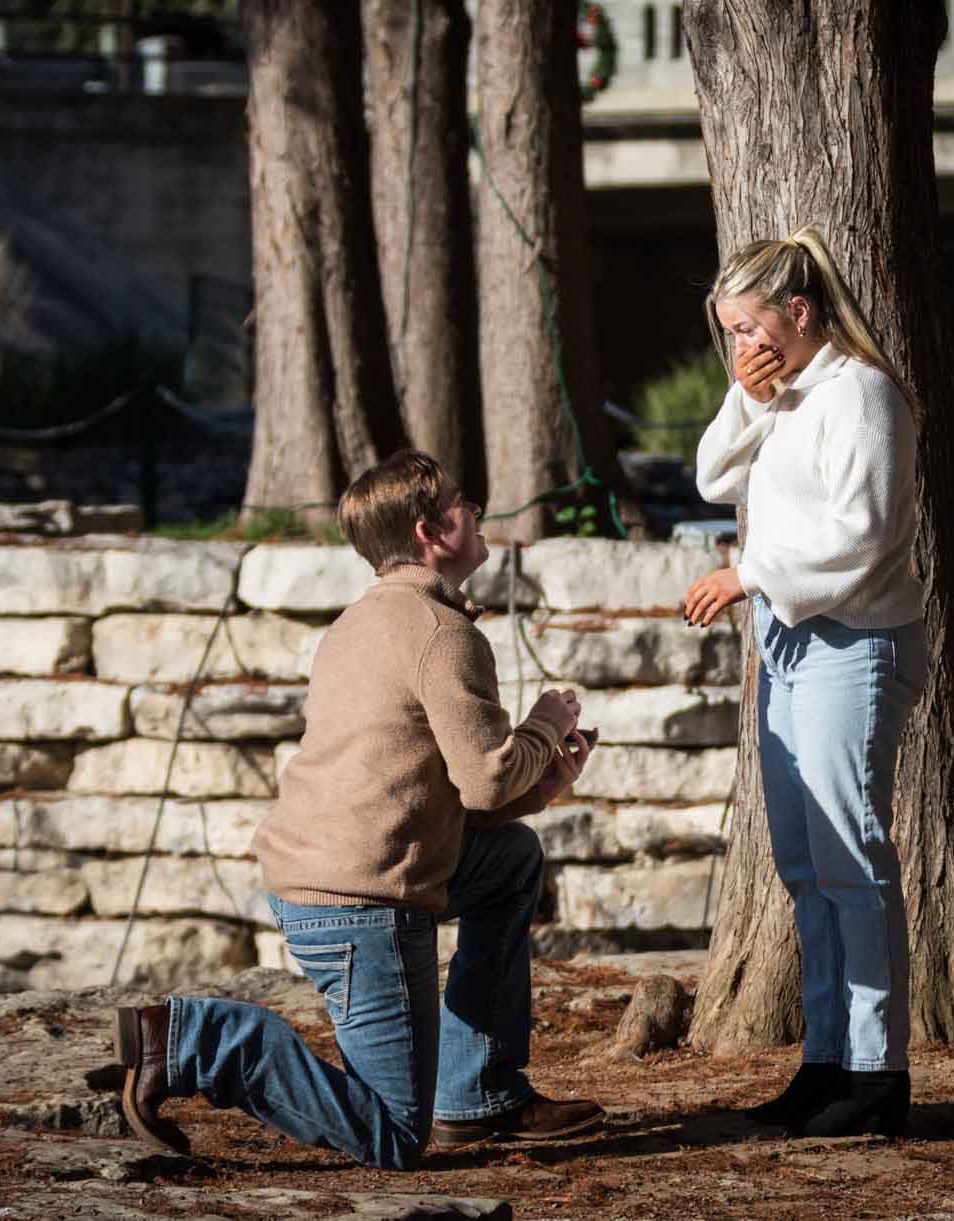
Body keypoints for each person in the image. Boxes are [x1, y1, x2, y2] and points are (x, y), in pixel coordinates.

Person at [113, 449, 605, 1169]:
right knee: (395, 1135)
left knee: (510, 862)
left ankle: (477, 1094)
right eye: (464, 502)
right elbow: (488, 781)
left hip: (333, 877)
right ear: (431, 532)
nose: (477, 511)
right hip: (362, 904)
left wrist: (546, 782)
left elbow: (444, 796)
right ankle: (190, 1039)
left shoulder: (357, 623)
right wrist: (543, 724)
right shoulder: (443, 635)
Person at [681, 226, 927, 1138]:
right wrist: (747, 400)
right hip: (792, 648)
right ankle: (825, 1058)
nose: (744, 348)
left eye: (751, 328)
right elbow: (711, 475)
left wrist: (748, 572)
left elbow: (863, 538)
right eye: (730, 335)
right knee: (804, 863)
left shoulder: (860, 394)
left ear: (801, 309)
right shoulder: (787, 397)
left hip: (852, 644)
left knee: (850, 862)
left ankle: (876, 1068)